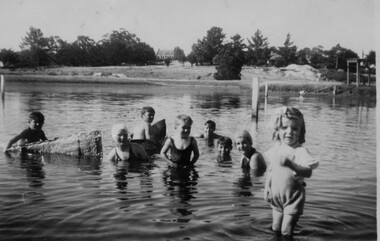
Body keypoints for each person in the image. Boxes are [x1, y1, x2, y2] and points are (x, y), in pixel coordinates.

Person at [263, 106, 319, 240]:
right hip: (277, 197)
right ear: (277, 130)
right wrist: (266, 188)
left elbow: (308, 172)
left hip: (293, 197)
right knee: (276, 228)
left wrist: (292, 165)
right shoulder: (276, 149)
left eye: (295, 128)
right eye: (284, 128)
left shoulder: (300, 151)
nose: (289, 132)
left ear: (301, 132)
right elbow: (271, 172)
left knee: (286, 232)